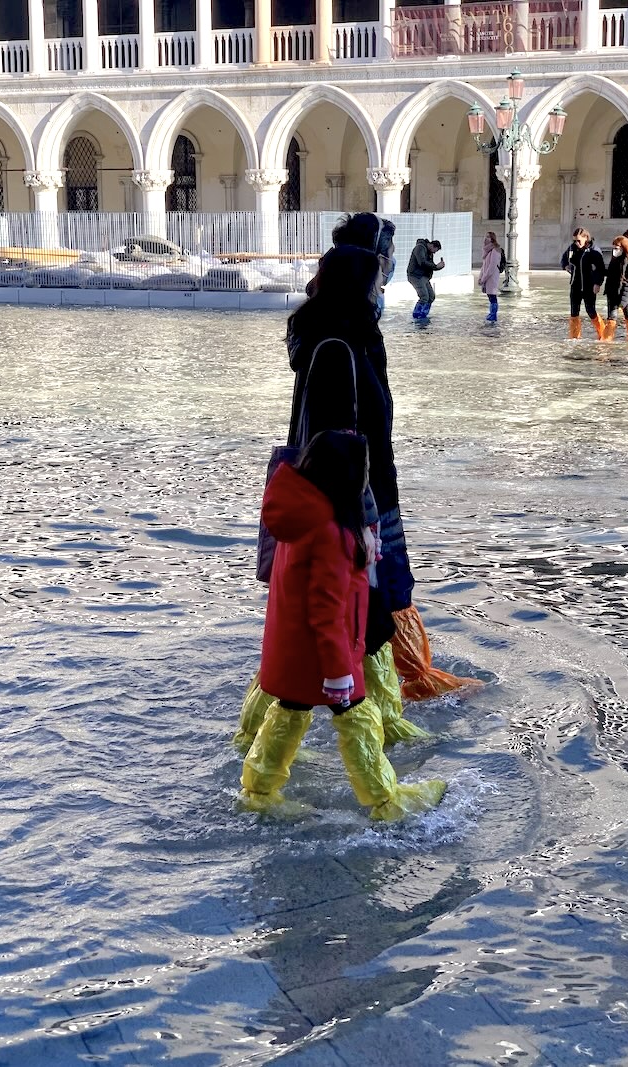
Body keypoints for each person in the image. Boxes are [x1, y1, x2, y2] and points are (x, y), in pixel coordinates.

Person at [234, 244, 473, 754]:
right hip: (346, 503)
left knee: (331, 623)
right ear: (358, 288)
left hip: (338, 502)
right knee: (362, 615)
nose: (383, 292)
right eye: (378, 283)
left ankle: (261, 740)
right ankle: (379, 733)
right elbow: (337, 444)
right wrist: (355, 521)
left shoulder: (335, 337)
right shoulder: (340, 346)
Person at [239, 429, 446, 821]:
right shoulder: (331, 534)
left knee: (288, 712)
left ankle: (258, 792)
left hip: (292, 650)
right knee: (359, 720)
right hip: (324, 655)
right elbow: (328, 613)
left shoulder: (302, 516)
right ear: (352, 476)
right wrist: (338, 674)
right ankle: (387, 802)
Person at [331, 211, 397, 320]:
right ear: (378, 260)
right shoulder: (356, 317)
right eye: (391, 254)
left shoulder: (330, 295)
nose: (391, 264)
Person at [560, 228, 606, 339]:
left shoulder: (594, 250)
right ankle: (575, 336)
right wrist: (565, 265)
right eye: (575, 240)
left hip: (589, 286)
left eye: (578, 241)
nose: (576, 243)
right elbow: (564, 259)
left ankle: (603, 334)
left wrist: (597, 283)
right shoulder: (572, 248)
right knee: (574, 312)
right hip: (575, 284)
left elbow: (600, 269)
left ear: (586, 238)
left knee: (591, 311)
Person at [407, 238, 445, 320]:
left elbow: (431, 265)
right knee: (424, 296)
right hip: (415, 276)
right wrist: (436, 266)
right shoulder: (420, 248)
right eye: (435, 250)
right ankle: (416, 317)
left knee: (431, 297)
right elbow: (422, 262)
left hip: (423, 277)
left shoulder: (429, 252)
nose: (435, 252)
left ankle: (423, 315)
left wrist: (439, 267)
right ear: (432, 245)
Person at [478, 231, 502, 323]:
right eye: (485, 236)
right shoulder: (487, 251)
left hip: (491, 277)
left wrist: (483, 278)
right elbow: (484, 266)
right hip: (486, 276)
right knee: (490, 296)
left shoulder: (495, 250)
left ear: (492, 239)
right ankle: (492, 314)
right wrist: (481, 278)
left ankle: (493, 315)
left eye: (488, 237)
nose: (485, 238)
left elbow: (492, 267)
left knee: (492, 296)